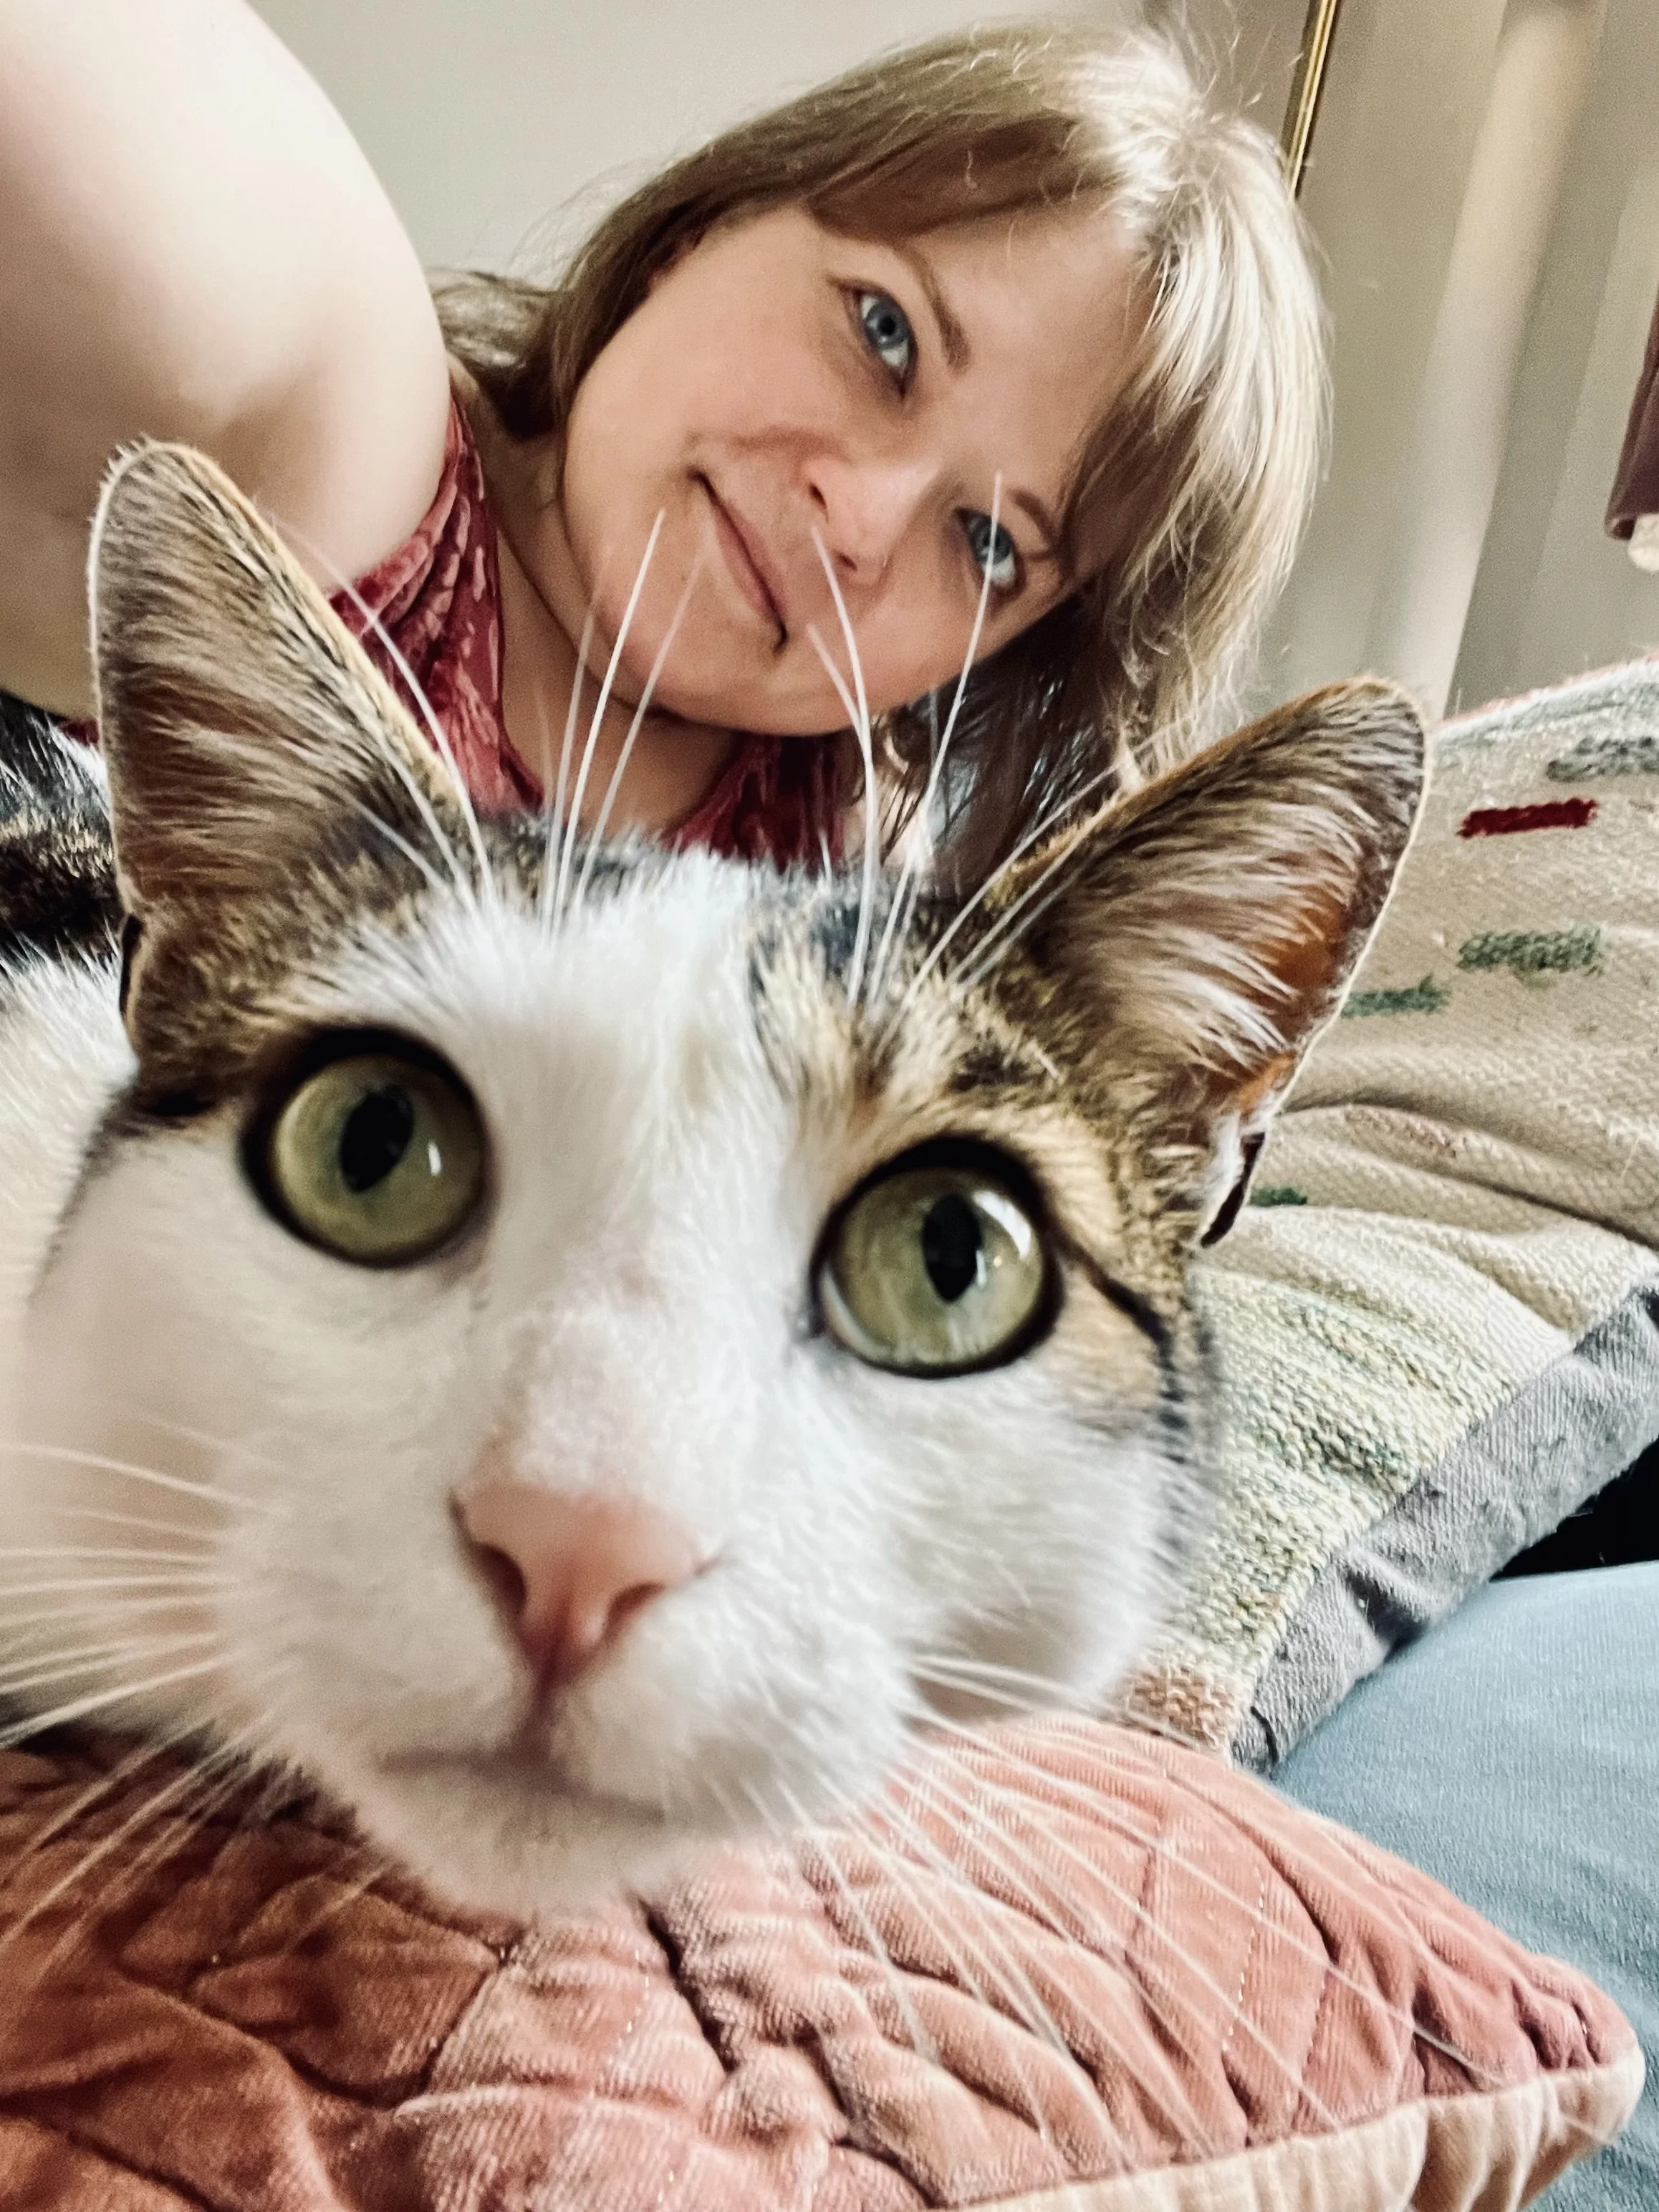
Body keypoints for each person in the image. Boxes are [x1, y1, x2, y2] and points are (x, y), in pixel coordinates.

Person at [0, 0, 1322, 882]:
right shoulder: (341, 450)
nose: (859, 518)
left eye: (987, 544)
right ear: (709, 229)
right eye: (886, 333)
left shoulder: (839, 873)